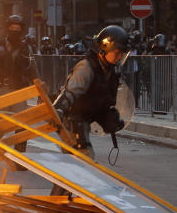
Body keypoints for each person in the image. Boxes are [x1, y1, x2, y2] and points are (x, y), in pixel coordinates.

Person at [53, 25, 130, 159]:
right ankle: (64, 178)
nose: (119, 57)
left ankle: (66, 178)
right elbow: (70, 93)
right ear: (105, 49)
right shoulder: (86, 67)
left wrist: (110, 118)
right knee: (84, 157)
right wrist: (58, 110)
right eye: (117, 53)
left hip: (84, 117)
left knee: (77, 160)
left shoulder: (110, 71)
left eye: (121, 54)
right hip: (72, 118)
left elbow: (101, 99)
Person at [0, 15, 35, 152]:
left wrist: (40, 92)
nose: (15, 31)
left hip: (20, 92)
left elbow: (34, 71)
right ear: (7, 29)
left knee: (21, 125)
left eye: (18, 28)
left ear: (21, 30)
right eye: (12, 28)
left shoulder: (27, 49)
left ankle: (20, 156)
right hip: (0, 90)